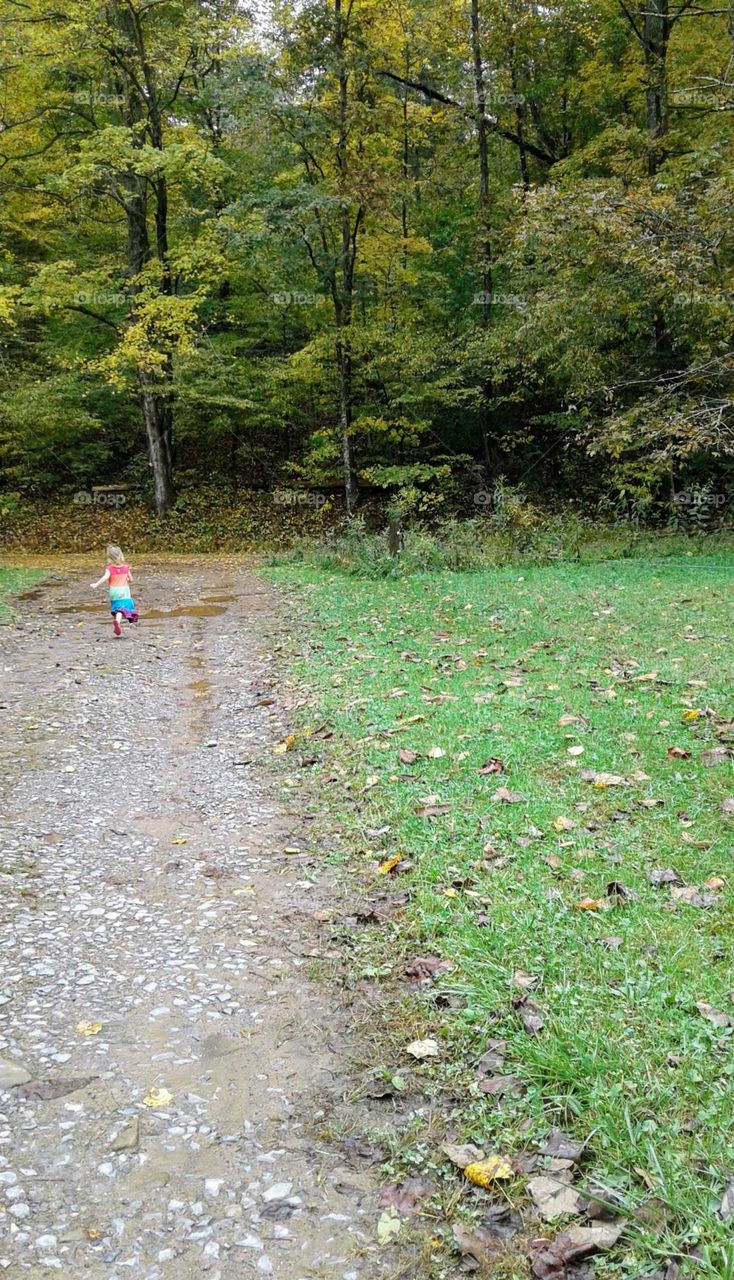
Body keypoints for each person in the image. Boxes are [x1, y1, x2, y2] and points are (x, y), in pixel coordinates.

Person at [91, 545, 139, 637]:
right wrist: (127, 579)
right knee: (126, 606)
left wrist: (96, 584)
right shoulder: (126, 568)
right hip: (124, 590)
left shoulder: (109, 568)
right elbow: (131, 579)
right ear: (121, 555)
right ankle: (129, 622)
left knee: (118, 608)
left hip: (114, 591)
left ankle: (118, 620)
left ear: (110, 558)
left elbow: (105, 577)